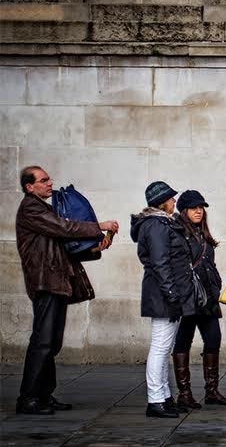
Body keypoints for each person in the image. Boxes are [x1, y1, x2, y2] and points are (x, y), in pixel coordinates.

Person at [15, 166, 118, 415]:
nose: (50, 183)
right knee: (42, 341)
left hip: (56, 281)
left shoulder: (44, 209)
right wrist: (97, 225)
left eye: (49, 179)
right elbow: (65, 228)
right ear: (30, 187)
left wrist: (96, 248)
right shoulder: (31, 208)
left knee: (52, 342)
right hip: (45, 281)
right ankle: (28, 398)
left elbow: (64, 245)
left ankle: (44, 395)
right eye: (43, 180)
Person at [131, 181, 197, 418]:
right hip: (164, 295)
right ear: (162, 202)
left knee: (164, 346)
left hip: (167, 294)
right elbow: (161, 263)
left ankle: (164, 397)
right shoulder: (156, 225)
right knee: (160, 348)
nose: (174, 201)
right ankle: (155, 400)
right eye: (171, 198)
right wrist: (171, 295)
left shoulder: (161, 222)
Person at [172, 190, 226, 410]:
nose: (199, 211)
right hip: (190, 297)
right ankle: (185, 393)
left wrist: (216, 287)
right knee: (183, 341)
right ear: (184, 210)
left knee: (214, 338)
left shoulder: (202, 233)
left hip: (207, 297)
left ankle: (212, 391)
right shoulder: (178, 232)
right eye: (193, 208)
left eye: (201, 207)